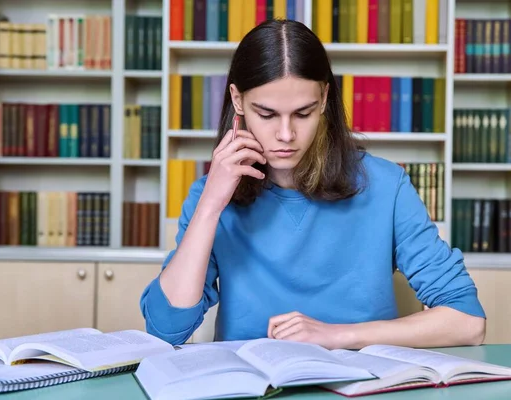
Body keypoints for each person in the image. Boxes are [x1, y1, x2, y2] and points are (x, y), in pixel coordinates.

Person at [140, 19, 486, 350]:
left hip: (362, 385)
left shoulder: (386, 186)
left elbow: (467, 322)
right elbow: (166, 329)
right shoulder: (209, 196)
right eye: (267, 114)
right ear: (237, 99)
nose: (286, 135)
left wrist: (337, 336)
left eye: (303, 113)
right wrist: (210, 207)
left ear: (323, 99)